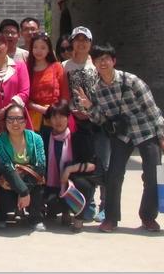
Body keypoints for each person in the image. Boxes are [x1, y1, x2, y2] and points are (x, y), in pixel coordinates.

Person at [77, 44, 164, 233]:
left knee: (152, 175)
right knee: (114, 175)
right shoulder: (96, 89)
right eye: (98, 59)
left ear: (113, 61)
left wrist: (162, 137)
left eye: (106, 58)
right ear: (94, 63)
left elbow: (153, 110)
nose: (103, 63)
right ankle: (111, 218)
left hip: (146, 131)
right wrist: (89, 107)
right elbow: (101, 119)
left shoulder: (132, 81)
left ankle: (148, 217)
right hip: (122, 135)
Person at [62, 26, 105, 221]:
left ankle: (104, 204)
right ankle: (86, 202)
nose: (81, 43)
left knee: (101, 162)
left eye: (85, 40)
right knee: (80, 162)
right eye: (77, 40)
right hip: (75, 121)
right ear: (72, 43)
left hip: (96, 120)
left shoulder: (97, 65)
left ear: (90, 43)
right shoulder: (64, 66)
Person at [41, 100, 103, 233]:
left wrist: (69, 170)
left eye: (62, 116)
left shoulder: (78, 137)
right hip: (53, 184)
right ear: (49, 120)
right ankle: (61, 210)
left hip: (74, 183)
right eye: (54, 117)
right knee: (47, 198)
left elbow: (92, 165)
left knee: (82, 184)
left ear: (68, 117)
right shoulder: (45, 138)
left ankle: (78, 218)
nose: (58, 121)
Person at [0, 100, 46, 230]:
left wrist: (24, 190)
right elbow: (5, 167)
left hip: (31, 178)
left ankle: (35, 218)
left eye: (19, 119)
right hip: (11, 177)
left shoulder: (36, 139)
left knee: (40, 182)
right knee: (4, 182)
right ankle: (2, 215)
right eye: (10, 119)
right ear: (5, 121)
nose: (15, 123)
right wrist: (23, 191)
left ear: (25, 121)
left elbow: (40, 165)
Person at [0, 32, 31, 143]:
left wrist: (6, 110)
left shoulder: (20, 66)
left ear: (6, 45)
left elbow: (24, 92)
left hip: (16, 118)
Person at [26, 32, 69, 138]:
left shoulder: (57, 67)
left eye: (43, 47)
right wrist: (40, 109)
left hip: (55, 117)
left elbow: (65, 95)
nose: (38, 51)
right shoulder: (27, 69)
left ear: (49, 49)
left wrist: (60, 113)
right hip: (33, 118)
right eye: (35, 47)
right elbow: (24, 95)